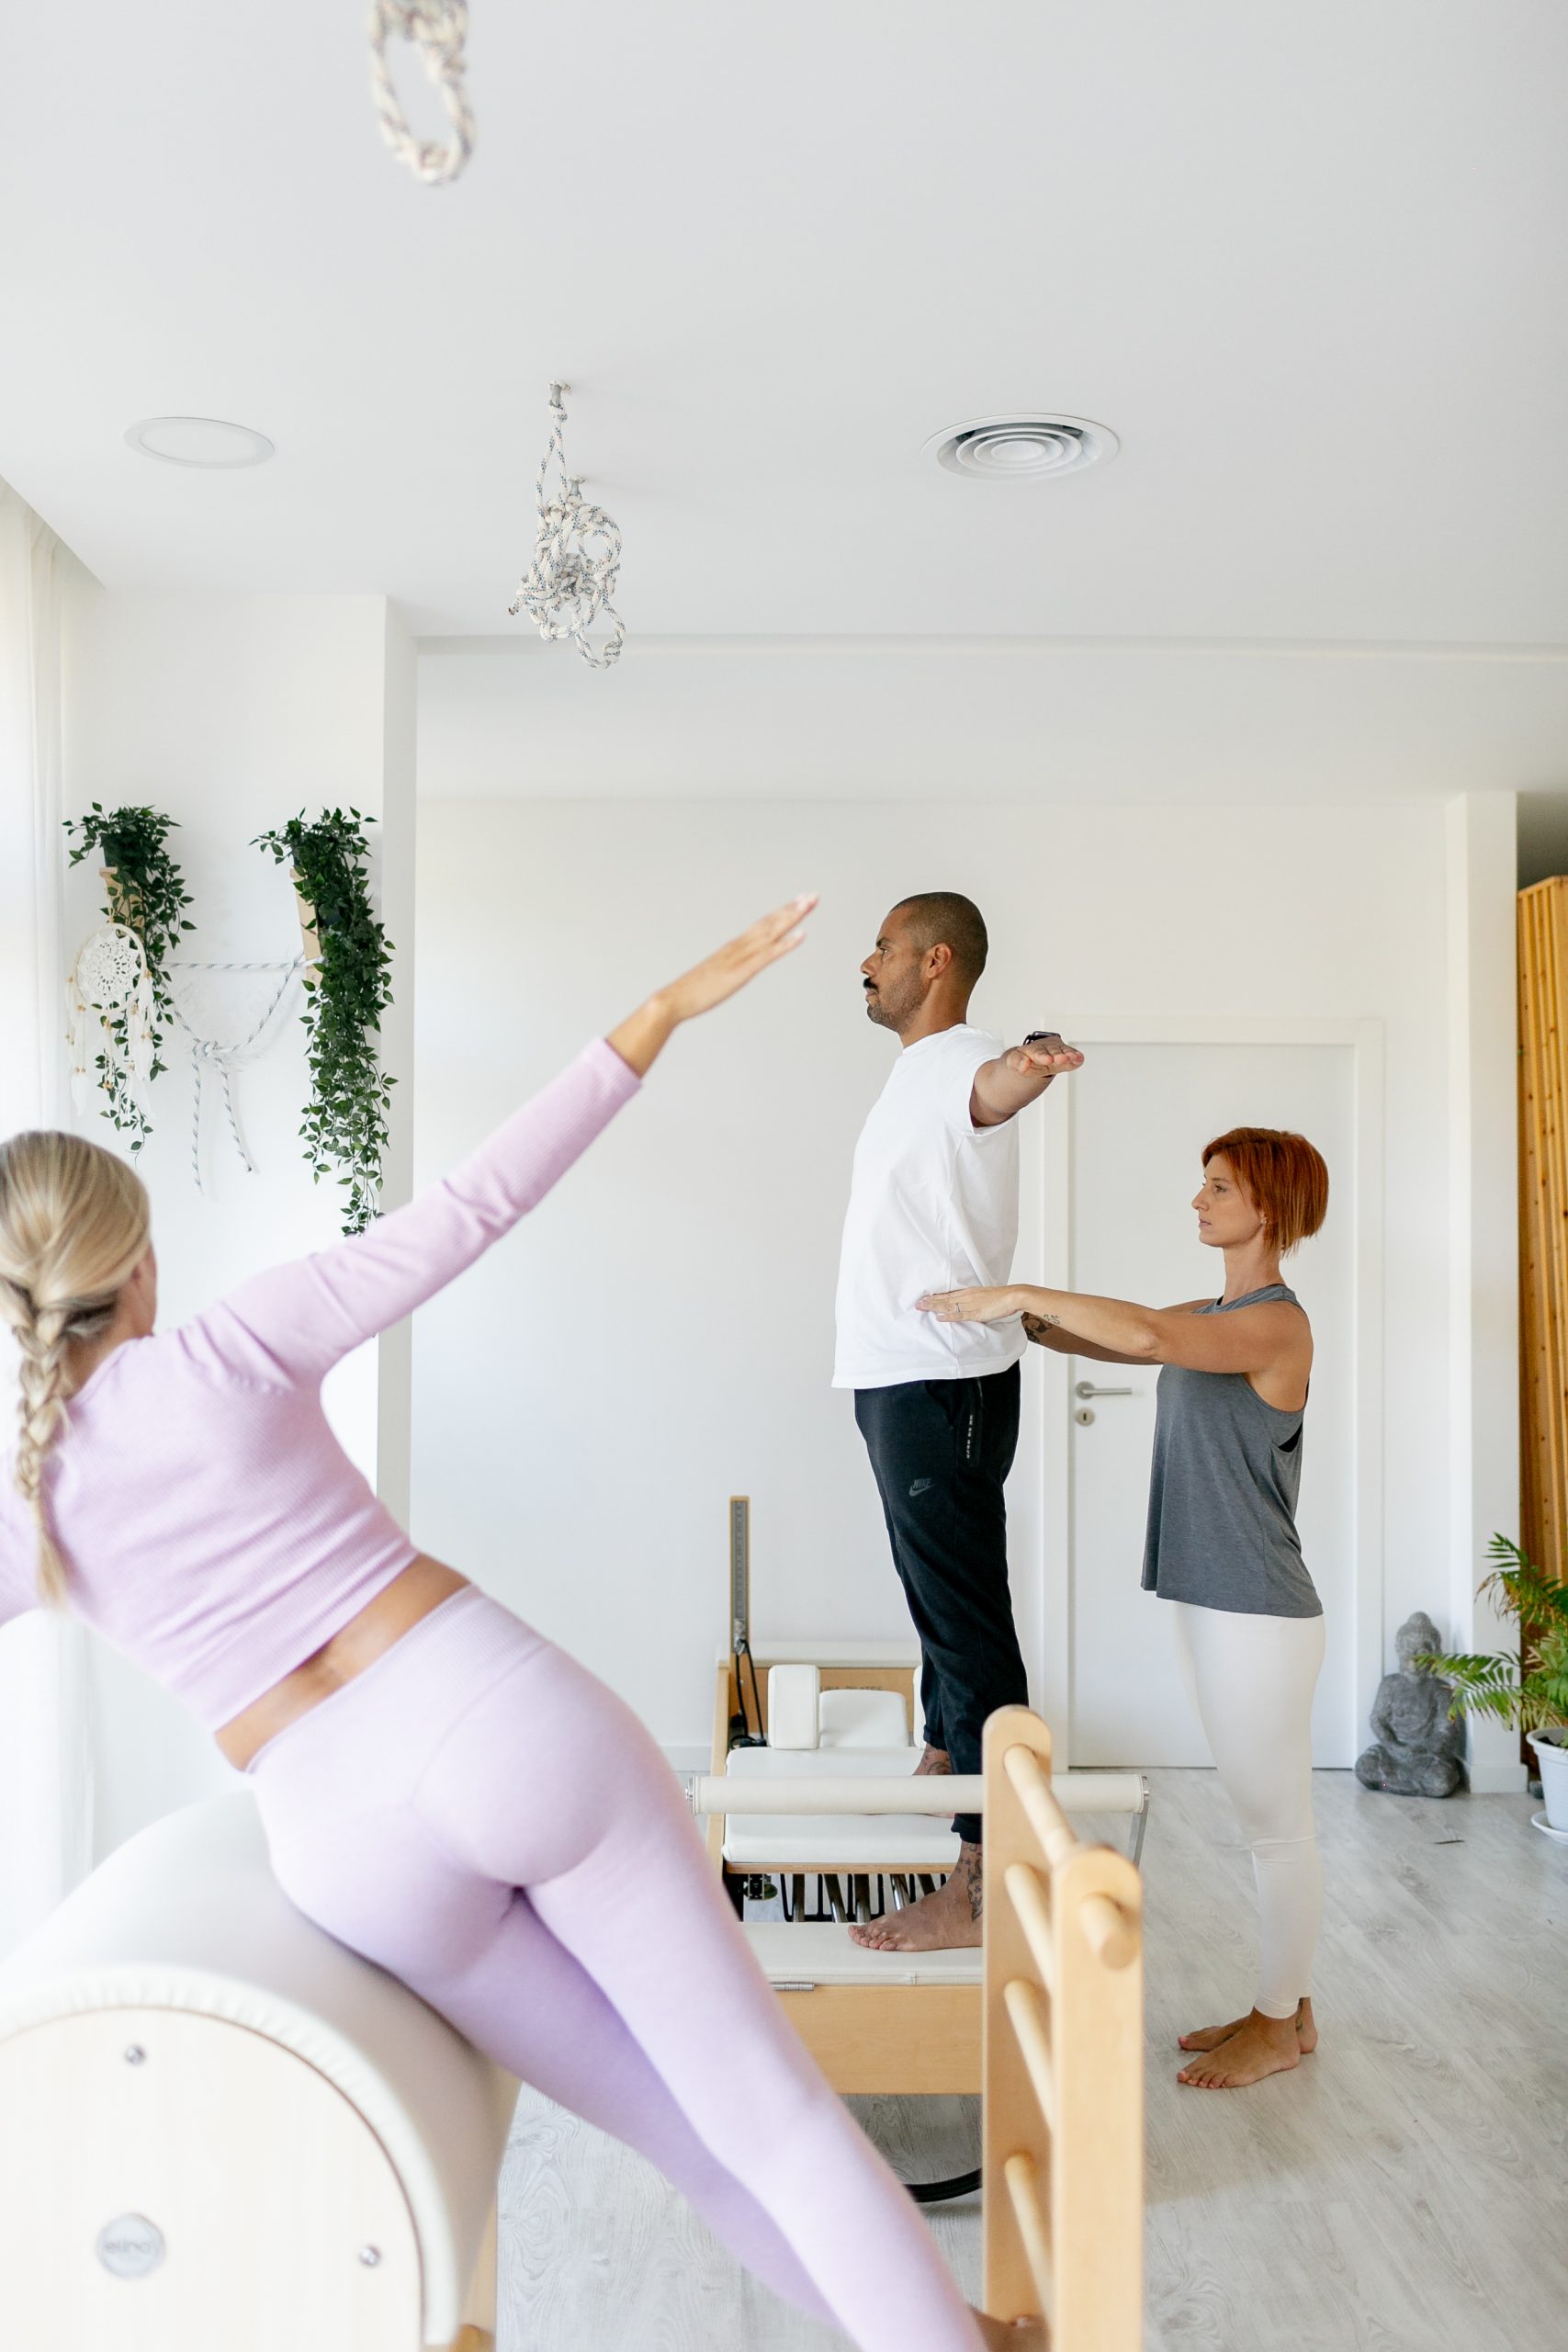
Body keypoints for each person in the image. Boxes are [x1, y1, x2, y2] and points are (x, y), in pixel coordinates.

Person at [0, 896, 1037, 2352]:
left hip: (341, 1846)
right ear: (138, 1261)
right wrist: (656, 1014)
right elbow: (473, 1206)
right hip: (489, 1722)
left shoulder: (31, 1507)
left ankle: (958, 2338)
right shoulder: (235, 1342)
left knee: (691, 2145)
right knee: (776, 2116)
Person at [919, 1126, 1330, 2086]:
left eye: (1217, 1187)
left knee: (1276, 1821)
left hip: (1261, 1609)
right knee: (1262, 1809)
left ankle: (1278, 2024)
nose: (1198, 1200)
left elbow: (1146, 1335)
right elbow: (1112, 1330)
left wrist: (1018, 1293)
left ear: (1264, 1207)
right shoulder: (1218, 1309)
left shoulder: (1277, 1324)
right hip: (1215, 1599)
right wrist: (1002, 1308)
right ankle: (1290, 2006)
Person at [834, 893, 1082, 1954]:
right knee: (932, 1587)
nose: (867, 961)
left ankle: (979, 1884)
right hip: (901, 1376)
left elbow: (998, 1086)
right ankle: (948, 1742)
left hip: (941, 1381)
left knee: (969, 1616)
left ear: (937, 961)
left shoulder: (963, 1059)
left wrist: (1032, 1063)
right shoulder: (913, 1073)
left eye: (883, 947)